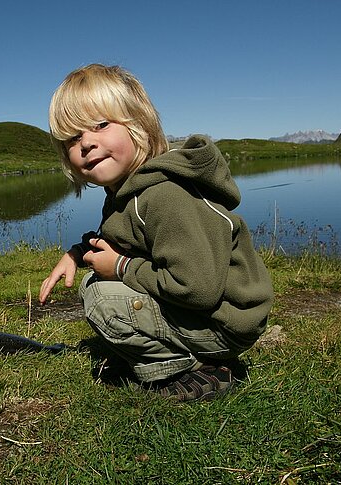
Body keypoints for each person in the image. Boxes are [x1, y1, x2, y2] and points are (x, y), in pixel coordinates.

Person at [39, 64, 274, 402]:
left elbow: (198, 289)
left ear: (139, 125)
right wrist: (77, 253)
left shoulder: (165, 195)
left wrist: (121, 267)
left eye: (101, 125)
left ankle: (203, 367)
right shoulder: (128, 191)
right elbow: (122, 238)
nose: (86, 143)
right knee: (96, 285)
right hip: (210, 314)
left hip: (227, 322)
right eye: (73, 138)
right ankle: (176, 353)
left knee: (103, 298)